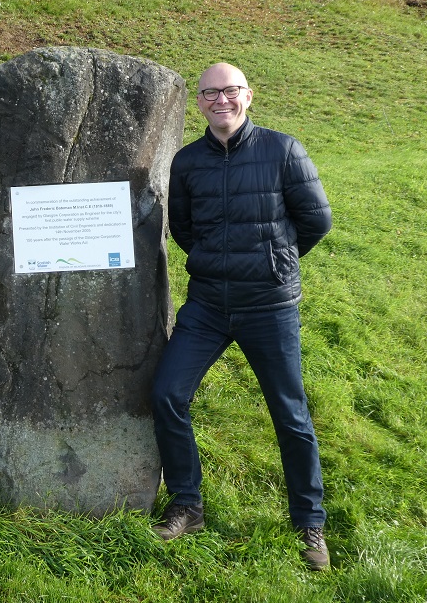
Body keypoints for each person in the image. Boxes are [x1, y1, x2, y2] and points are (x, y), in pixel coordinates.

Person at [150, 63, 333, 570]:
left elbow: (317, 220)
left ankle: (309, 521)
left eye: (229, 91)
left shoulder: (283, 149)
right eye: (210, 93)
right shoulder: (187, 162)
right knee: (167, 393)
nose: (220, 100)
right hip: (208, 305)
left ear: (248, 96)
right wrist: (216, 263)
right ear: (200, 102)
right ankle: (187, 504)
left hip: (269, 306)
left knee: (289, 413)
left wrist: (276, 264)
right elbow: (183, 226)